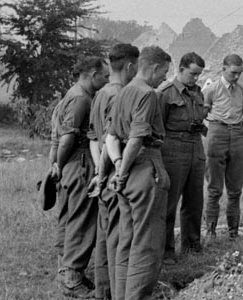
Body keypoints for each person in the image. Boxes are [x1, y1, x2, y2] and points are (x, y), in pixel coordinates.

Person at [106, 46, 171, 300]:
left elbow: (111, 136)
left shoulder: (123, 92)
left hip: (126, 172)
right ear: (154, 68)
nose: (165, 77)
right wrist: (121, 171)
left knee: (127, 241)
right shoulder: (147, 93)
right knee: (147, 244)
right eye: (164, 72)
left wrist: (119, 168)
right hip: (145, 168)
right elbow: (136, 139)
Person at [49, 56, 109, 298]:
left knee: (70, 217)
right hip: (80, 162)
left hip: (71, 164)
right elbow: (67, 138)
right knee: (82, 221)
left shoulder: (72, 93)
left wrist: (56, 165)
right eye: (104, 76)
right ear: (92, 74)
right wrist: (58, 164)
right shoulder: (82, 98)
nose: (106, 81)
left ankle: (68, 271)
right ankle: (72, 277)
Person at [87, 43, 139, 300]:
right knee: (119, 242)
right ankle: (115, 294)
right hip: (112, 176)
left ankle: (103, 292)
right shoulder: (121, 94)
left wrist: (98, 172)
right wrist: (108, 170)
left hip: (102, 176)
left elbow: (93, 138)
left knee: (104, 238)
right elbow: (111, 139)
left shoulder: (100, 93)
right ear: (130, 66)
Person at [158, 52, 206, 263]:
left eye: (199, 75)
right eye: (193, 74)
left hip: (196, 146)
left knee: (195, 201)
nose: (196, 79)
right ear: (181, 69)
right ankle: (166, 251)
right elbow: (157, 127)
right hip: (173, 149)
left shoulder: (198, 93)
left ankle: (192, 245)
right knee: (169, 202)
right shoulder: (165, 93)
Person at [202, 54, 243, 241]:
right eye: (233, 73)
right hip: (217, 132)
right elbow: (202, 115)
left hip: (237, 134)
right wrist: (214, 133)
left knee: (235, 189)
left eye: (239, 73)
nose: (236, 77)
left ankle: (233, 232)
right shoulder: (211, 89)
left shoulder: (242, 90)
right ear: (223, 69)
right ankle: (211, 231)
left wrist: (234, 131)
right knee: (214, 188)